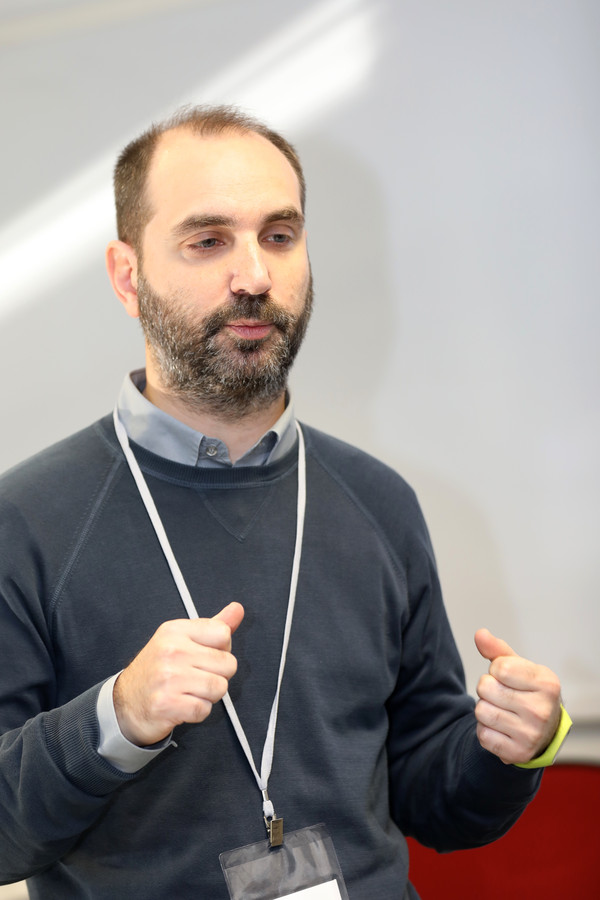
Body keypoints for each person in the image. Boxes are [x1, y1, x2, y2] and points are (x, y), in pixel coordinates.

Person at [0, 106, 570, 900]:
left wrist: (510, 749)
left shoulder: (380, 503)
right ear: (127, 277)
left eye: (278, 235)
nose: (254, 277)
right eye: (208, 240)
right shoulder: (25, 521)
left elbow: (433, 803)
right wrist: (115, 719)